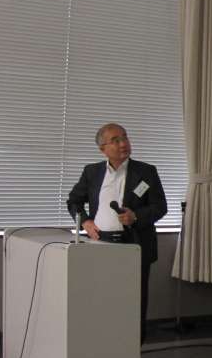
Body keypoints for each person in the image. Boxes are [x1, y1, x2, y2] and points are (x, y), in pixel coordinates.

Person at [67, 123, 167, 343]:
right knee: (102, 297)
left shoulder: (146, 172)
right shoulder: (92, 172)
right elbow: (73, 201)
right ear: (102, 148)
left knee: (134, 300)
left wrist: (136, 216)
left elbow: (160, 207)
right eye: (116, 140)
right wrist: (86, 222)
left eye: (125, 137)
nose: (123, 144)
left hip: (134, 244)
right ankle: (102, 344)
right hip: (101, 245)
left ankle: (133, 347)